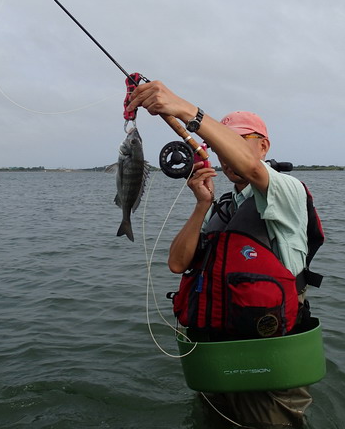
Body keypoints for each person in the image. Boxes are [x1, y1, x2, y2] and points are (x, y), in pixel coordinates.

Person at [127, 81, 313, 428]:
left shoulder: (286, 189)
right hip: (216, 351)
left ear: (263, 146)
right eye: (220, 146)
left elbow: (255, 170)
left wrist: (184, 109)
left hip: (268, 352)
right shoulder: (225, 205)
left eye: (238, 143)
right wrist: (202, 205)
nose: (226, 155)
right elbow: (177, 264)